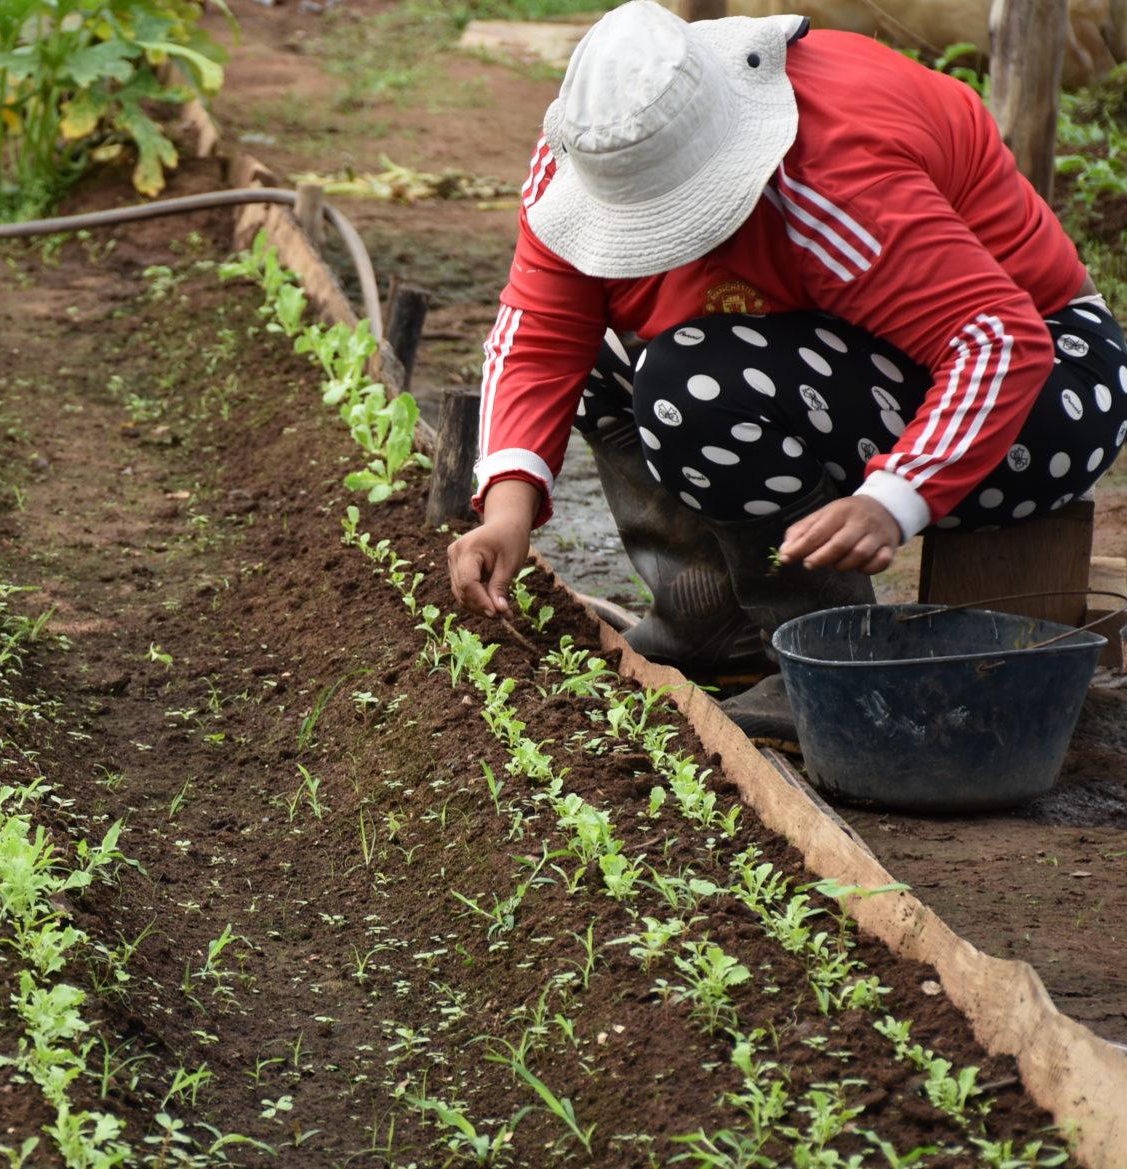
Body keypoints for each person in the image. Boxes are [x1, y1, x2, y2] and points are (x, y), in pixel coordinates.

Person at [446, 0, 1125, 738]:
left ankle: (827, 660)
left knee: (695, 383)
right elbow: (538, 336)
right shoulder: (589, 153)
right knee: (617, 361)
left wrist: (894, 497)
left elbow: (998, 341)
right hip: (857, 354)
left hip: (1050, 385)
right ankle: (712, 624)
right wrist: (507, 514)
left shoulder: (830, 170)